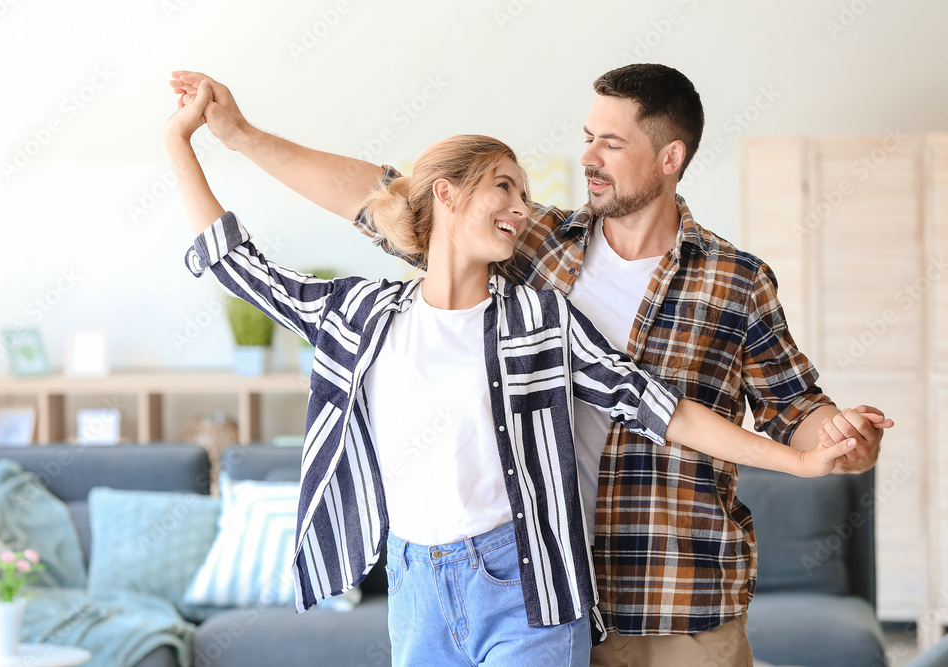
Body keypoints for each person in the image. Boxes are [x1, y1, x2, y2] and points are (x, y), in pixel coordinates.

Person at [168, 64, 893, 667]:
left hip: (677, 599)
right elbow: (380, 194)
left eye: (610, 142)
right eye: (587, 138)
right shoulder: (532, 247)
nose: (588, 158)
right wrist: (238, 136)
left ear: (669, 158)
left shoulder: (729, 280)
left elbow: (772, 405)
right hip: (543, 583)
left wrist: (827, 443)